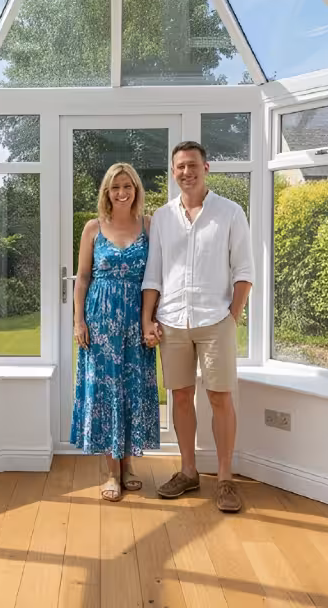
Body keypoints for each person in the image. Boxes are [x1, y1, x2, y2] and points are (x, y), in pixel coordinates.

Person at [142, 140, 253, 513]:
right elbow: (153, 274)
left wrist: (231, 317)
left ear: (206, 168)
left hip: (215, 320)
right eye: (179, 167)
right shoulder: (161, 218)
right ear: (173, 173)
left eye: (192, 165)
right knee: (180, 397)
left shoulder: (230, 213)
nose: (186, 172)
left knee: (220, 398)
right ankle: (188, 472)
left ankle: (224, 480)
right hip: (172, 322)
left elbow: (244, 273)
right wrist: (149, 317)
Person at [70, 162, 161, 502]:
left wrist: (151, 320)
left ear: (136, 189)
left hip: (136, 320)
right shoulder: (93, 228)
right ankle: (111, 472)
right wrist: (79, 321)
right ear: (106, 192)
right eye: (115, 187)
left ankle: (129, 467)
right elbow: (83, 278)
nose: (122, 192)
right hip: (101, 323)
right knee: (106, 392)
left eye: (128, 186)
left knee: (131, 389)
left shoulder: (149, 226)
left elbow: (157, 278)